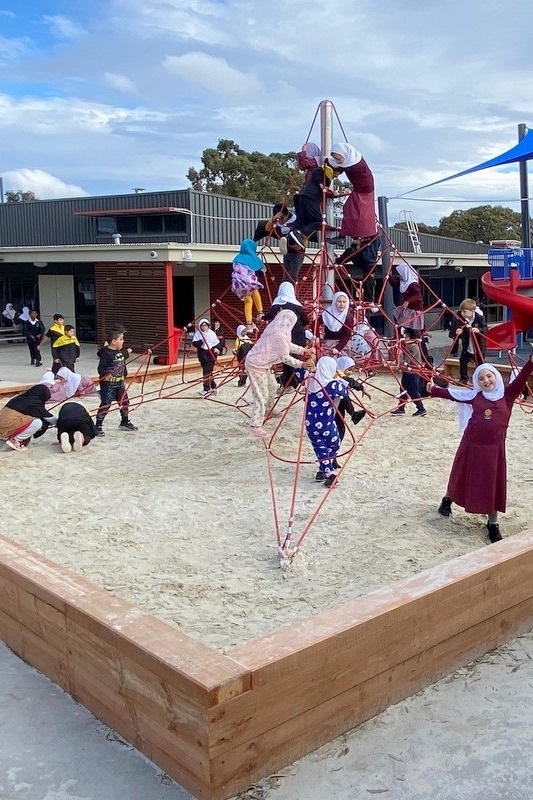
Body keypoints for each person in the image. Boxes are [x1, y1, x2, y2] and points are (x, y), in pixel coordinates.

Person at [430, 353, 533, 543]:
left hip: (494, 451)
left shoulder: (508, 395)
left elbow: (522, 377)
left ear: (496, 376)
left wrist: (531, 361)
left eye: (489, 376)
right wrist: (432, 390)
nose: (486, 380)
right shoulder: (475, 396)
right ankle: (447, 500)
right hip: (471, 445)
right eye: (481, 378)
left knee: (492, 484)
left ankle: (493, 523)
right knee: (461, 475)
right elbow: (452, 394)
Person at [245, 309, 315, 437]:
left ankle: (268, 410)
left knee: (272, 386)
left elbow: (288, 345)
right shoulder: (279, 335)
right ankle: (255, 425)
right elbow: (285, 358)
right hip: (255, 365)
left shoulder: (281, 332)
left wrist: (304, 351)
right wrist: (302, 364)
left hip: (263, 364)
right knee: (261, 396)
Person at [305, 356, 348, 487]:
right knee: (334, 443)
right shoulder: (332, 384)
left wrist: (311, 370)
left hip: (310, 423)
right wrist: (339, 378)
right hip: (326, 423)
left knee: (320, 447)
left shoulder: (310, 381)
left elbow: (301, 372)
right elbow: (344, 392)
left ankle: (323, 470)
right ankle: (331, 473)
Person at [279, 163, 340, 253]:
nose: (337, 176)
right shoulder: (321, 172)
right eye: (338, 173)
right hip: (310, 199)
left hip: (300, 199)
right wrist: (333, 192)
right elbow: (322, 185)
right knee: (319, 221)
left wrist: (330, 191)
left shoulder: (318, 174)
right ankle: (300, 233)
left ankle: (288, 234)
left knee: (302, 221)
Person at [326, 142, 378, 250]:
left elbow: (339, 166)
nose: (338, 161)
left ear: (344, 154)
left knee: (357, 214)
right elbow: (337, 165)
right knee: (348, 209)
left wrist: (326, 162)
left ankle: (348, 236)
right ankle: (342, 237)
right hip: (360, 188)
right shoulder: (349, 158)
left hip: (364, 190)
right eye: (336, 158)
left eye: (338, 158)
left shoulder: (354, 162)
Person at [263, 281, 310, 390]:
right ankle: (298, 381)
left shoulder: (279, 302)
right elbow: (306, 320)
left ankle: (289, 383)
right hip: (298, 333)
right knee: (295, 357)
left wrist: (262, 318)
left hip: (285, 333)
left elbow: (270, 315)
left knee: (285, 357)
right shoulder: (298, 305)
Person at [95, 328, 138, 436]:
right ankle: (98, 426)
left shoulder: (120, 352)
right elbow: (101, 368)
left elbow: (125, 355)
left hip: (120, 383)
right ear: (114, 341)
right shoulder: (106, 354)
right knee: (106, 404)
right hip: (109, 384)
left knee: (124, 402)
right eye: (121, 339)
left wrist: (128, 351)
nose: (123, 341)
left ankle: (124, 422)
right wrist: (105, 375)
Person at [0, 385, 56, 451]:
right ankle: (15, 440)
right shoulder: (34, 402)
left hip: (4, 424)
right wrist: (62, 422)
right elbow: (48, 418)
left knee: (35, 419)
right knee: (37, 422)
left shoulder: (22, 398)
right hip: (6, 427)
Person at [390, 330, 428, 417]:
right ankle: (401, 408)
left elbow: (407, 360)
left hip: (413, 373)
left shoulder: (414, 347)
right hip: (407, 372)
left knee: (413, 391)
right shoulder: (408, 346)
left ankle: (421, 408)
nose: (404, 338)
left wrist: (399, 364)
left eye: (406, 337)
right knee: (403, 389)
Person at [448, 298, 487, 383]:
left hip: (478, 346)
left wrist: (479, 330)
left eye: (465, 311)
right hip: (468, 345)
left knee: (480, 363)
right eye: (462, 311)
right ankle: (463, 379)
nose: (462, 313)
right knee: (463, 361)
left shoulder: (479, 318)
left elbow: (485, 328)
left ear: (472, 310)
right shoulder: (462, 319)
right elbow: (458, 326)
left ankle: (479, 380)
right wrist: (458, 331)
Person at [334, 356, 370, 444]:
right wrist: (361, 387)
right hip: (332, 406)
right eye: (348, 369)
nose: (350, 373)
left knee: (340, 427)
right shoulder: (336, 374)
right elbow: (348, 380)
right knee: (339, 428)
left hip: (337, 405)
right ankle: (353, 414)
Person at [231, 239, 264, 327]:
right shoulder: (252, 257)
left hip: (239, 283)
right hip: (248, 281)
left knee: (248, 301)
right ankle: (260, 312)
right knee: (255, 291)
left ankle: (248, 322)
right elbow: (259, 266)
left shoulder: (237, 258)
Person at [191, 318, 224, 396]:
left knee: (206, 371)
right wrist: (201, 341)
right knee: (209, 372)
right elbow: (195, 344)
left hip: (211, 354)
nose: (204, 327)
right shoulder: (198, 334)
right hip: (202, 354)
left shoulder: (212, 333)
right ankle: (214, 386)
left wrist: (217, 349)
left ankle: (206, 388)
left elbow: (218, 343)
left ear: (208, 326)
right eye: (202, 325)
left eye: (205, 325)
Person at [391, 263, 425, 331]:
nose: (400, 276)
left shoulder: (413, 284)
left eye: (401, 274)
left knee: (409, 325)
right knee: (397, 316)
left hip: (415, 308)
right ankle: (398, 336)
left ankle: (415, 336)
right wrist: (389, 276)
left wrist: (408, 301)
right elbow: (394, 284)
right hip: (407, 307)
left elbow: (417, 296)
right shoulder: (403, 282)